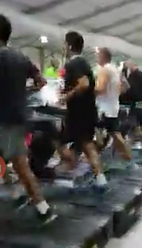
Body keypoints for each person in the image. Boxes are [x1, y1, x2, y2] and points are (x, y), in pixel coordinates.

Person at [0, 14, 56, 223]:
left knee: (18, 165)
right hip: (19, 119)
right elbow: (41, 82)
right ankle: (43, 209)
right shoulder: (21, 57)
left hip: (2, 120)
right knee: (21, 166)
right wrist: (21, 91)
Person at [60, 31, 107, 190]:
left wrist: (67, 96)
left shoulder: (74, 63)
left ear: (69, 45)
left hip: (79, 113)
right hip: (85, 111)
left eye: (65, 44)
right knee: (82, 145)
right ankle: (94, 178)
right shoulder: (83, 63)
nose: (63, 47)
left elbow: (84, 83)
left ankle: (100, 179)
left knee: (81, 144)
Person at [95, 47, 131, 160]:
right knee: (115, 134)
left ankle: (93, 161)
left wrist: (85, 90)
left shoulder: (104, 70)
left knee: (93, 136)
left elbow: (100, 89)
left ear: (103, 57)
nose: (97, 58)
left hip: (104, 109)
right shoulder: (115, 70)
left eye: (98, 56)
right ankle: (128, 158)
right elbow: (124, 88)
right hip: (113, 106)